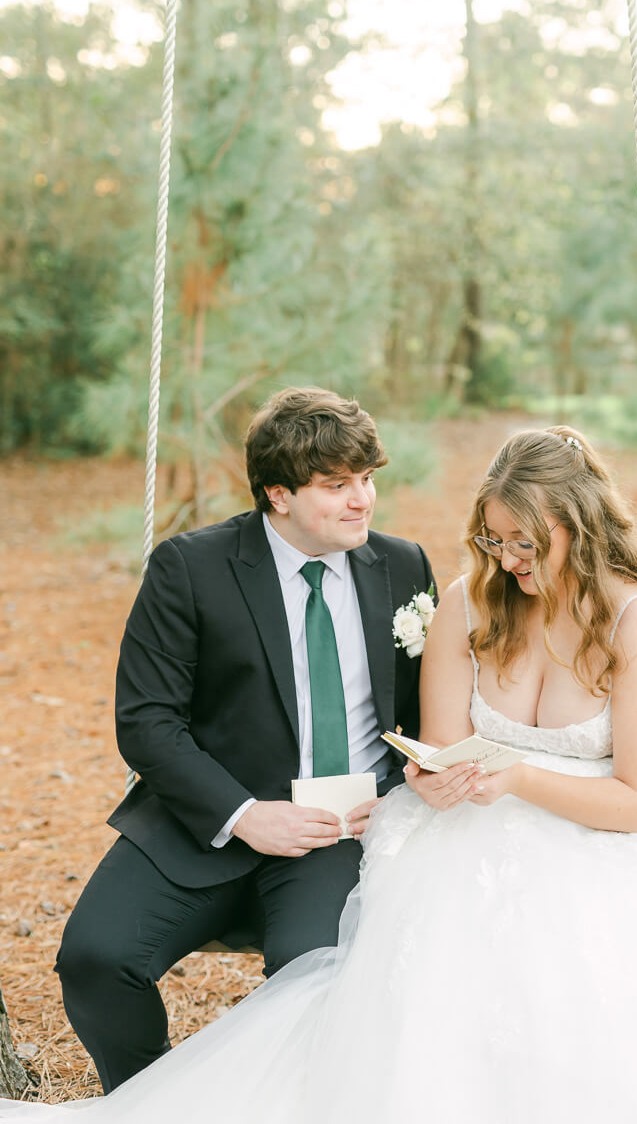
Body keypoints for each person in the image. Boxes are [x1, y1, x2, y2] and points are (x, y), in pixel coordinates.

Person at [3, 426, 637, 1122]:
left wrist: (512, 777)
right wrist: (432, 778)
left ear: (579, 529)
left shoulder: (624, 616)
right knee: (123, 961)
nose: (509, 559)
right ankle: (148, 1096)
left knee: (554, 983)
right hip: (426, 828)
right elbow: (435, 743)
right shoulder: (468, 598)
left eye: (527, 542)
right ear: (278, 495)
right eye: (494, 539)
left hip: (603, 838)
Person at [49, 386, 436, 1093]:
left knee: (315, 969)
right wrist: (246, 815)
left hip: (338, 830)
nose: (362, 501)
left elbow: (429, 715)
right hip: (205, 820)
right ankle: (149, 1101)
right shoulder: (190, 568)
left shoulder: (404, 567)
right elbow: (146, 721)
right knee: (96, 959)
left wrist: (403, 792)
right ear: (277, 494)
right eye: (336, 485)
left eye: (368, 479)